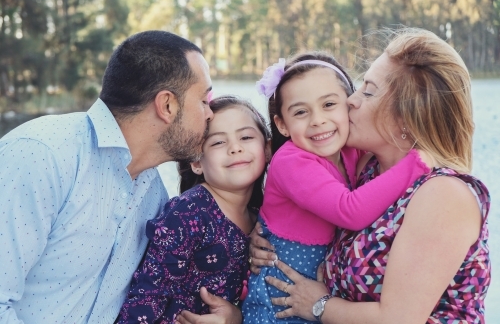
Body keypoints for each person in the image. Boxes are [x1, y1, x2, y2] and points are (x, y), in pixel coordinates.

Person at [257, 28, 491, 323]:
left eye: (367, 91)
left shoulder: (444, 194)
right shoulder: (365, 170)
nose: (351, 101)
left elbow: (398, 318)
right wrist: (266, 235)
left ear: (405, 118)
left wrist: (319, 305)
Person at [0, 30, 214, 324]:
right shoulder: (42, 157)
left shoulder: (153, 194)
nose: (210, 113)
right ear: (167, 105)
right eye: (204, 100)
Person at [241, 51, 429, 324]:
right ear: (282, 124)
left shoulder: (352, 152)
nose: (317, 120)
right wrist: (418, 161)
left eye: (329, 104)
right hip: (279, 300)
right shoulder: (291, 161)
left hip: (317, 298)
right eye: (301, 112)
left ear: (349, 104)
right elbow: (349, 210)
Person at [115, 95, 270, 323]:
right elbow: (148, 295)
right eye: (218, 142)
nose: (235, 148)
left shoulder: (263, 217)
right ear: (197, 162)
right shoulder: (188, 212)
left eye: (246, 137)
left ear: (266, 149)